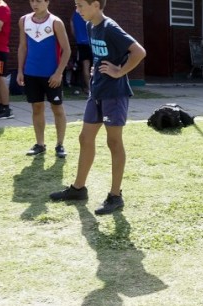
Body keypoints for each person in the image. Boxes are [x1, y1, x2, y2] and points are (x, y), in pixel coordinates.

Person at [49, 0, 146, 216]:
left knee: (113, 142)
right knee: (85, 138)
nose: (77, 10)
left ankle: (115, 196)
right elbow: (101, 54)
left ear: (95, 5)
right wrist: (97, 68)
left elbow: (139, 52)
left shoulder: (110, 27)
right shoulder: (89, 26)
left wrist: (119, 71)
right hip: (97, 92)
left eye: (80, 5)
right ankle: (78, 189)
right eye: (76, 5)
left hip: (115, 95)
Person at [16, 0, 71, 159]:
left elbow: (67, 50)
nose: (35, 4)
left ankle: (60, 144)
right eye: (32, 0)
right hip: (31, 73)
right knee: (37, 108)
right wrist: (20, 70)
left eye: (39, 0)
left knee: (57, 109)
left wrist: (58, 73)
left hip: (51, 75)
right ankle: (40, 144)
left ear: (47, 2)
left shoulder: (56, 22)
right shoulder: (24, 20)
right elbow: (23, 46)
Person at [70, 10, 91, 95]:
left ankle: (89, 89)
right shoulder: (89, 13)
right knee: (97, 67)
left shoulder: (74, 15)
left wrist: (78, 38)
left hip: (81, 44)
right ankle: (96, 88)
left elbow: (72, 30)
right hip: (92, 42)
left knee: (86, 66)